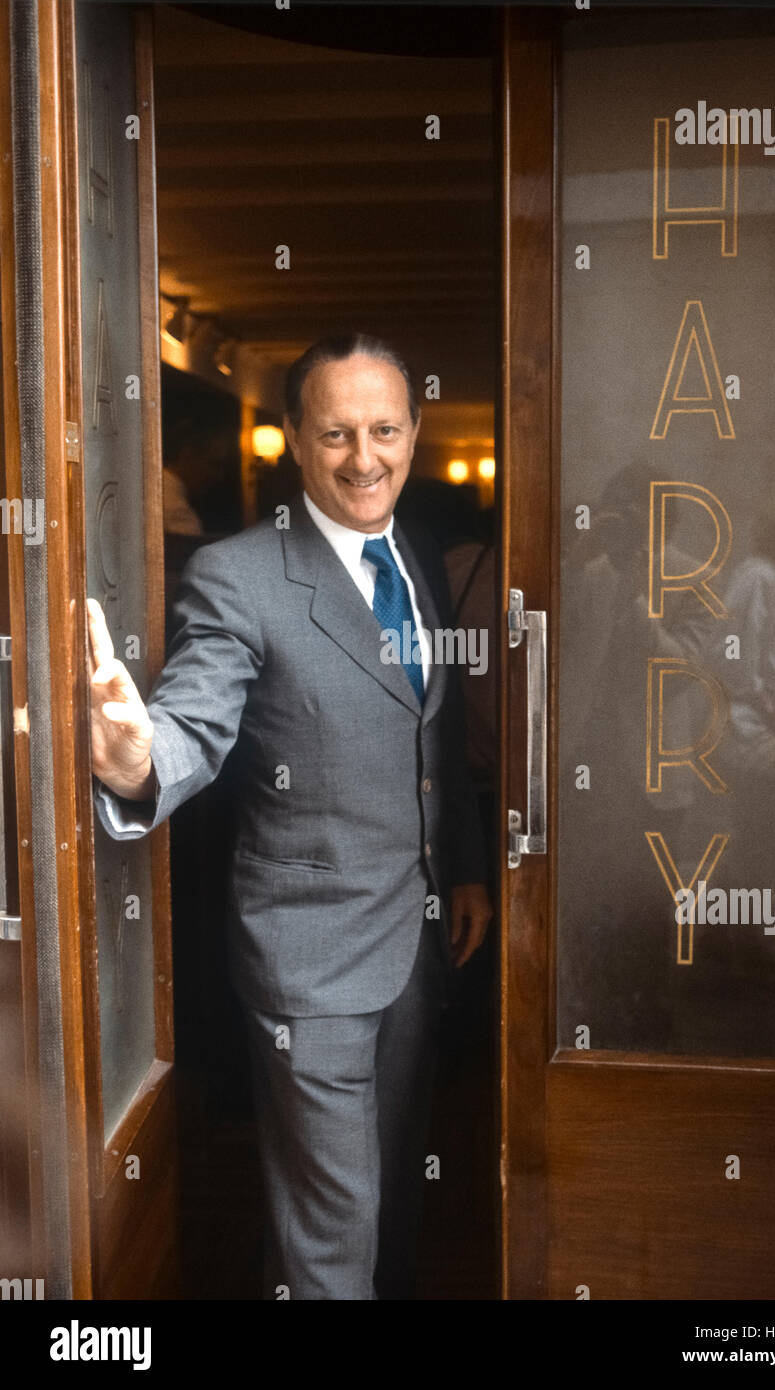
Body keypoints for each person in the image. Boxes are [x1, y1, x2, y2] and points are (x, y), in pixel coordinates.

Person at [87, 333, 492, 1300]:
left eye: (385, 430)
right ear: (294, 444)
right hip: (309, 967)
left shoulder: (421, 554)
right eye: (338, 433)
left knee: (390, 1210)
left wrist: (465, 865)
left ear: (414, 431)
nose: (365, 458)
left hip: (417, 945)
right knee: (328, 1238)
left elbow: (431, 736)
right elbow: (194, 717)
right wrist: (143, 760)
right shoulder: (239, 576)